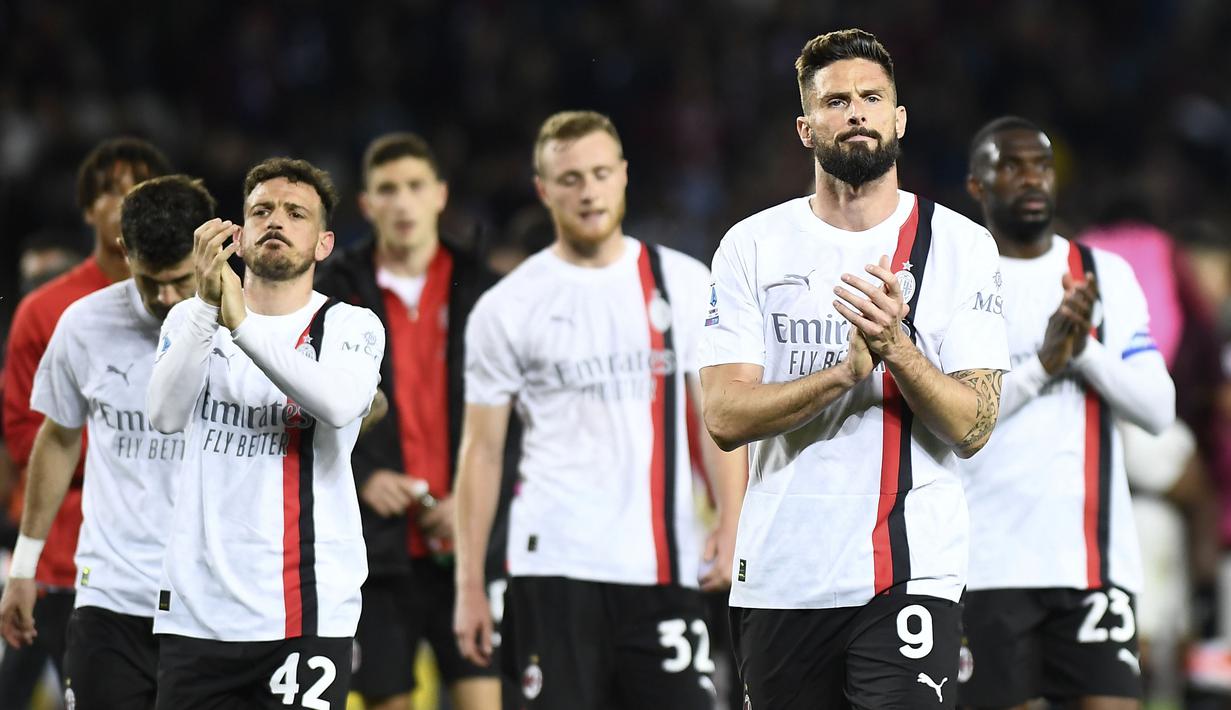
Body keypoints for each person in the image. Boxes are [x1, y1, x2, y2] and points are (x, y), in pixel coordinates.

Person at [699, 29, 1009, 709]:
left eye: (871, 98)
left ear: (899, 119)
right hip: (781, 575)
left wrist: (896, 349)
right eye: (836, 101)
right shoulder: (751, 246)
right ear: (806, 129)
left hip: (909, 573)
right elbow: (723, 416)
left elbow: (974, 425)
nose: (857, 112)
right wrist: (842, 375)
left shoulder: (959, 246)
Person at [452, 110, 746, 709]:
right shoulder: (508, 306)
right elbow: (481, 451)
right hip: (550, 568)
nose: (588, 191)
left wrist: (733, 519)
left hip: (663, 566)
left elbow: (716, 419)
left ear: (624, 175)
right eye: (570, 179)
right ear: (543, 189)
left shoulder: (683, 283)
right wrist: (469, 584)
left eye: (600, 173)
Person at [146, 158, 385, 708]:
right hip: (197, 611)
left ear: (324, 244)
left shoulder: (350, 325)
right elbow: (164, 416)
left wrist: (242, 325)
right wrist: (207, 305)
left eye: (296, 213)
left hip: (306, 608)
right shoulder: (190, 318)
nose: (276, 220)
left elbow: (340, 405)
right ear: (238, 233)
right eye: (261, 211)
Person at [958, 116, 1176, 709]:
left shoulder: (1105, 276)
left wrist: (1085, 353)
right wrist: (1042, 366)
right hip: (988, 562)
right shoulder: (958, 282)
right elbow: (954, 425)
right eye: (1011, 166)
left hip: (1092, 562)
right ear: (977, 185)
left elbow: (1159, 410)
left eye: (1042, 166)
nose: (1031, 179)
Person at [0, 175, 213, 709]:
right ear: (125, 251)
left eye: (180, 280)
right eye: (150, 282)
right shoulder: (84, 324)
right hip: (110, 596)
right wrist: (23, 568)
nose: (166, 297)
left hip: (216, 601)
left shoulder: (252, 329)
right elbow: (57, 439)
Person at [315, 132, 505, 710]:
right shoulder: (332, 294)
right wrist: (361, 477)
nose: (403, 202)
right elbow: (307, 407)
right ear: (366, 203)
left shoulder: (485, 289)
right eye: (388, 189)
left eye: (415, 186)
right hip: (376, 550)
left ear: (440, 195)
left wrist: (476, 499)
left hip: (469, 545)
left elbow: (519, 417)